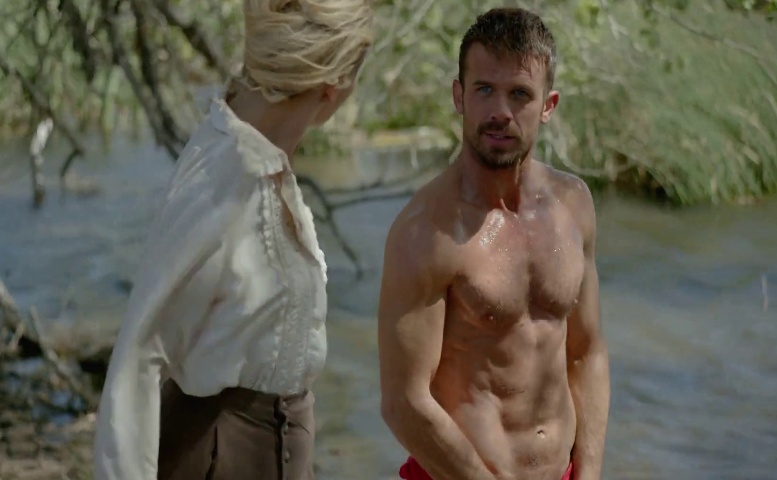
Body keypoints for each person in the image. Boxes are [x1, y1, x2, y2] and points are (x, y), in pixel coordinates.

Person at [92, 1, 373, 479]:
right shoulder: (224, 180)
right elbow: (138, 357)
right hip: (219, 458)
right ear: (334, 86)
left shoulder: (262, 160)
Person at [377, 7, 610, 480]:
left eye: (519, 93)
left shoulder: (573, 205)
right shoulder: (425, 232)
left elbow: (587, 352)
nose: (500, 111)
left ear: (548, 105)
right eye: (484, 89)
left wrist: (588, 474)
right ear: (459, 95)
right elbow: (403, 403)